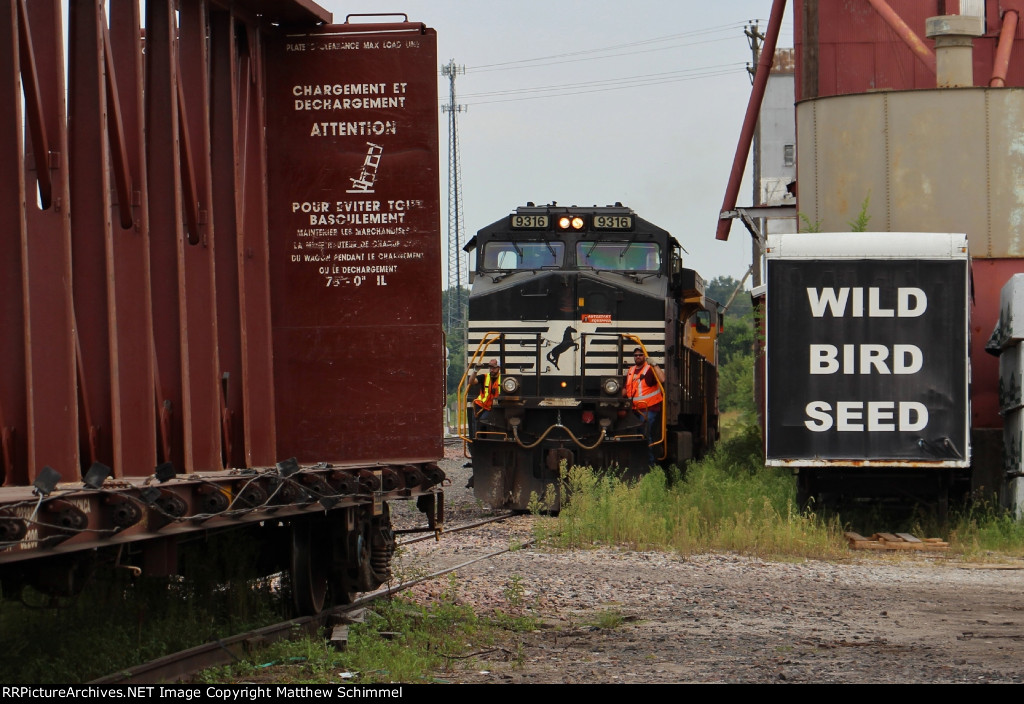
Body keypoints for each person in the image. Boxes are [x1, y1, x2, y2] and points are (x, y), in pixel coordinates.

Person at [623, 347, 665, 466]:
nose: (638, 357)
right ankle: (635, 462)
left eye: (640, 355)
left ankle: (649, 464)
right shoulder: (631, 370)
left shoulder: (649, 369)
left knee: (644, 432)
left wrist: (655, 365)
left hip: (649, 408)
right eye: (635, 355)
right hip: (634, 409)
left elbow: (662, 379)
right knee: (632, 433)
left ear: (644, 357)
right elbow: (627, 389)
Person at [468, 359, 501, 438]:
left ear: (498, 368)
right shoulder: (484, 377)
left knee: (483, 421)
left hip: (491, 408)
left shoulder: (502, 379)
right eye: (490, 368)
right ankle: (475, 439)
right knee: (476, 422)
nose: (491, 370)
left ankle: (482, 438)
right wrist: (475, 370)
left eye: (494, 368)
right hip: (480, 405)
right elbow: (471, 381)